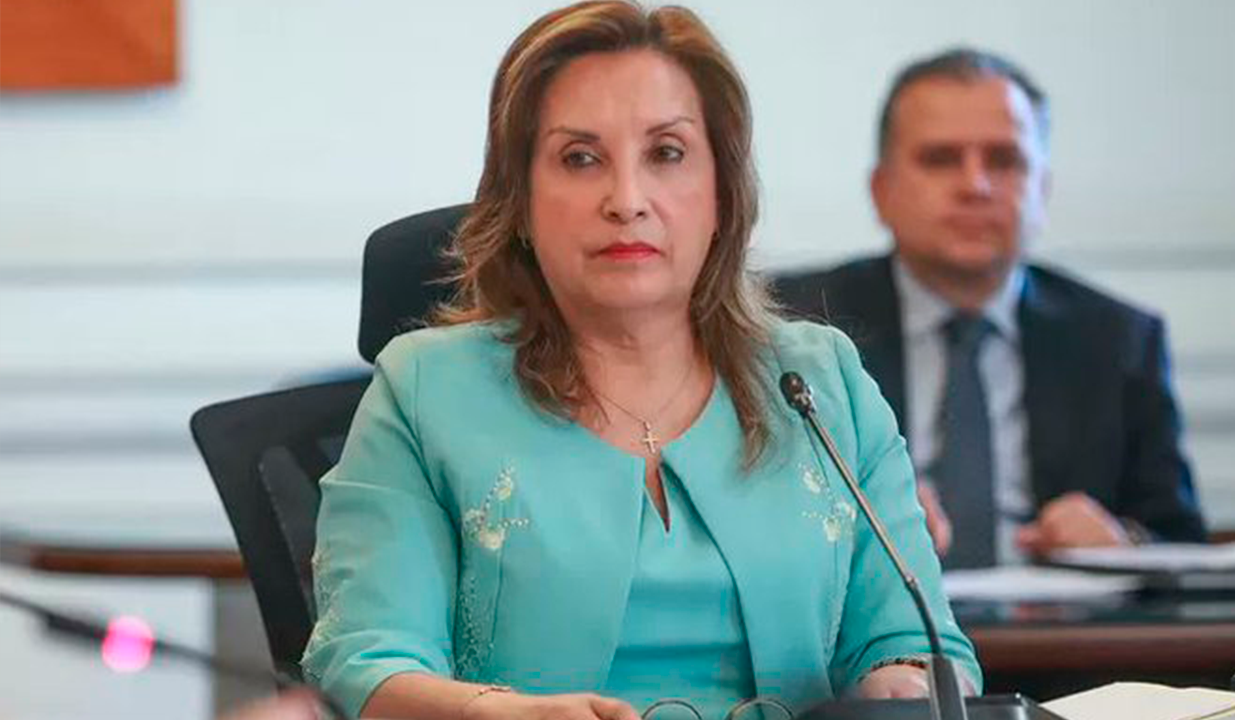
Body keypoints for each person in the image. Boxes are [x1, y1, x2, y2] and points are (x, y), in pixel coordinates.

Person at [302, 3, 979, 719]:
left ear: (723, 193)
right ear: (520, 201)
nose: (627, 201)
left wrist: (903, 688)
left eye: (667, 153)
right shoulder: (426, 391)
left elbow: (913, 642)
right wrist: (497, 715)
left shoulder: (820, 382)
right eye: (580, 158)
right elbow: (365, 662)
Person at [774, 48, 1207, 569]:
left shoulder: (1119, 339)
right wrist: (846, 521)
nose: (974, 185)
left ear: (1042, 189)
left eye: (1003, 160)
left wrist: (1124, 542)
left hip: (1065, 618)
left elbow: (1180, 541)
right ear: (881, 191)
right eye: (940, 159)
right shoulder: (789, 324)